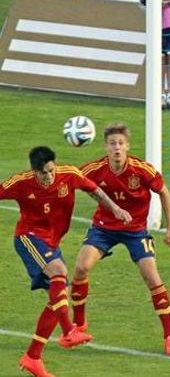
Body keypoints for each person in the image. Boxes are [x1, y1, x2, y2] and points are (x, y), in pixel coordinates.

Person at [1, 146, 131, 377]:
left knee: (58, 296)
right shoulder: (20, 182)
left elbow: (94, 191)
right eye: (43, 174)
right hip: (28, 238)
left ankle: (32, 357)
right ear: (34, 172)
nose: (49, 177)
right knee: (59, 271)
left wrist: (116, 208)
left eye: (51, 171)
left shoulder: (69, 174)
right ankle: (69, 330)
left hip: (51, 243)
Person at [72, 123, 170, 356]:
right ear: (106, 147)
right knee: (81, 268)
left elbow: (164, 192)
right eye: (112, 144)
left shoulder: (142, 170)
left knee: (152, 278)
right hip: (104, 228)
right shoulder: (95, 168)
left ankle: (169, 336)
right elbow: (73, 181)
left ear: (127, 146)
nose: (117, 148)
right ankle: (79, 325)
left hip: (135, 230)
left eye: (121, 143)